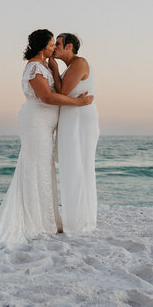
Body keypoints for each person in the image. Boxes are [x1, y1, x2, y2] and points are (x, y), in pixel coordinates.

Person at [0, 29, 93, 252]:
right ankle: (34, 222)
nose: (54, 49)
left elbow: (55, 91)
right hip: (35, 125)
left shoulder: (43, 66)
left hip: (42, 125)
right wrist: (78, 104)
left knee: (42, 169)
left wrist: (54, 69)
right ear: (43, 48)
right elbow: (47, 97)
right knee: (35, 169)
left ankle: (46, 221)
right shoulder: (33, 67)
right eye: (52, 45)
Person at [49, 33, 99, 233]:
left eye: (58, 44)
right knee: (72, 167)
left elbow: (62, 92)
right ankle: (76, 218)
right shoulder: (70, 67)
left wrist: (54, 69)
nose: (54, 48)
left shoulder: (79, 63)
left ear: (69, 46)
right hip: (72, 117)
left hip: (80, 119)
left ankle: (80, 221)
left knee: (79, 167)